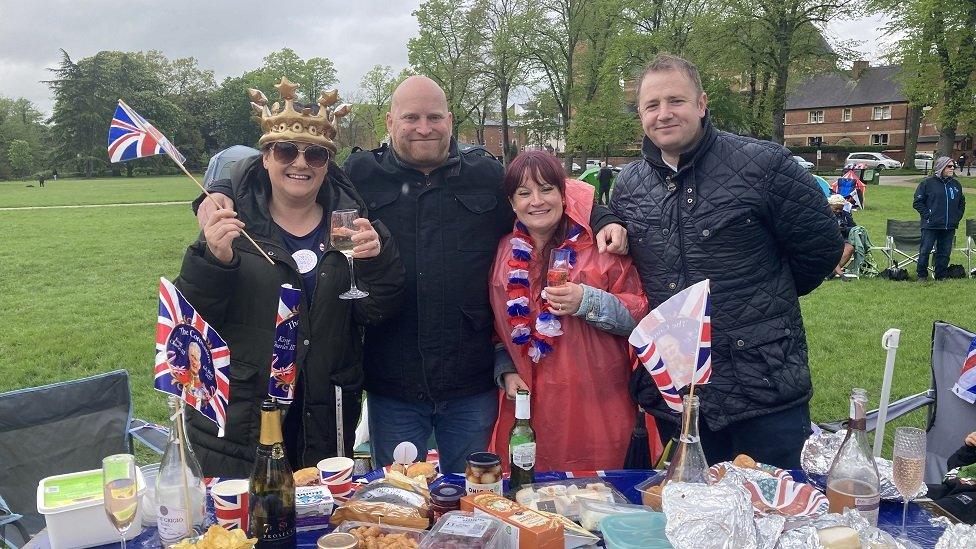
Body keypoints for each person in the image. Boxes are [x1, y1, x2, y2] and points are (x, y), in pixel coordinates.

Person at [195, 75, 629, 474]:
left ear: (450, 121)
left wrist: (606, 214)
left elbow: (553, 191)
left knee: (470, 495)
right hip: (393, 380)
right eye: (411, 117)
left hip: (470, 380)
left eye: (434, 117)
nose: (424, 127)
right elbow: (289, 167)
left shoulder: (486, 175)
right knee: (398, 500)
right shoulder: (359, 175)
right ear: (390, 122)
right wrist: (220, 190)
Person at [613, 53, 842, 469]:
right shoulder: (629, 185)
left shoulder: (765, 165)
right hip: (680, 392)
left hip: (762, 384)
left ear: (701, 104)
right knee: (690, 514)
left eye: (675, 101)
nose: (664, 113)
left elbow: (820, 249)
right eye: (652, 105)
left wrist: (760, 301)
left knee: (771, 512)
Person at [177, 77, 405, 477]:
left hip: (326, 408)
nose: (300, 163)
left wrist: (375, 263)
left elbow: (380, 311)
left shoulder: (355, 227)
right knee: (250, 527)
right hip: (246, 414)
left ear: (327, 165)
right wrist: (214, 260)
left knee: (322, 524)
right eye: (285, 151)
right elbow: (190, 319)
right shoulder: (230, 224)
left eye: (315, 156)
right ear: (265, 158)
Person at [490, 151, 648, 471]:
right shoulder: (505, 250)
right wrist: (505, 369)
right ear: (511, 203)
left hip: (596, 404)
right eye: (524, 193)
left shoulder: (600, 245)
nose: (537, 201)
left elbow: (642, 316)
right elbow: (497, 326)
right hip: (529, 405)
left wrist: (588, 302)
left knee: (596, 498)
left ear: (564, 194)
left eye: (547, 189)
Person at [913, 156, 966, 280]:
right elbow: (917, 202)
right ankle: (922, 275)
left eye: (954, 166)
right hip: (931, 225)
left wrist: (956, 217)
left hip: (949, 225)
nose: (952, 168)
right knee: (925, 251)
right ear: (941, 167)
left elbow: (961, 202)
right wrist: (928, 216)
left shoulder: (956, 184)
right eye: (949, 166)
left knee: (945, 252)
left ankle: (940, 275)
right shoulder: (927, 183)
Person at [926, 430, 976, 523]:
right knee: (913, 495)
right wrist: (969, 450)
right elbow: (954, 467)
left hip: (969, 502)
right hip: (952, 488)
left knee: (933, 512)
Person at [828, 193, 856, 278]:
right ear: (830, 206)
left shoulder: (845, 215)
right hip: (828, 239)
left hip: (843, 238)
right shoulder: (824, 214)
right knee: (833, 250)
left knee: (850, 248)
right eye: (836, 209)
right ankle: (838, 273)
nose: (838, 211)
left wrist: (844, 229)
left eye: (841, 209)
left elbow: (854, 227)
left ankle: (831, 273)